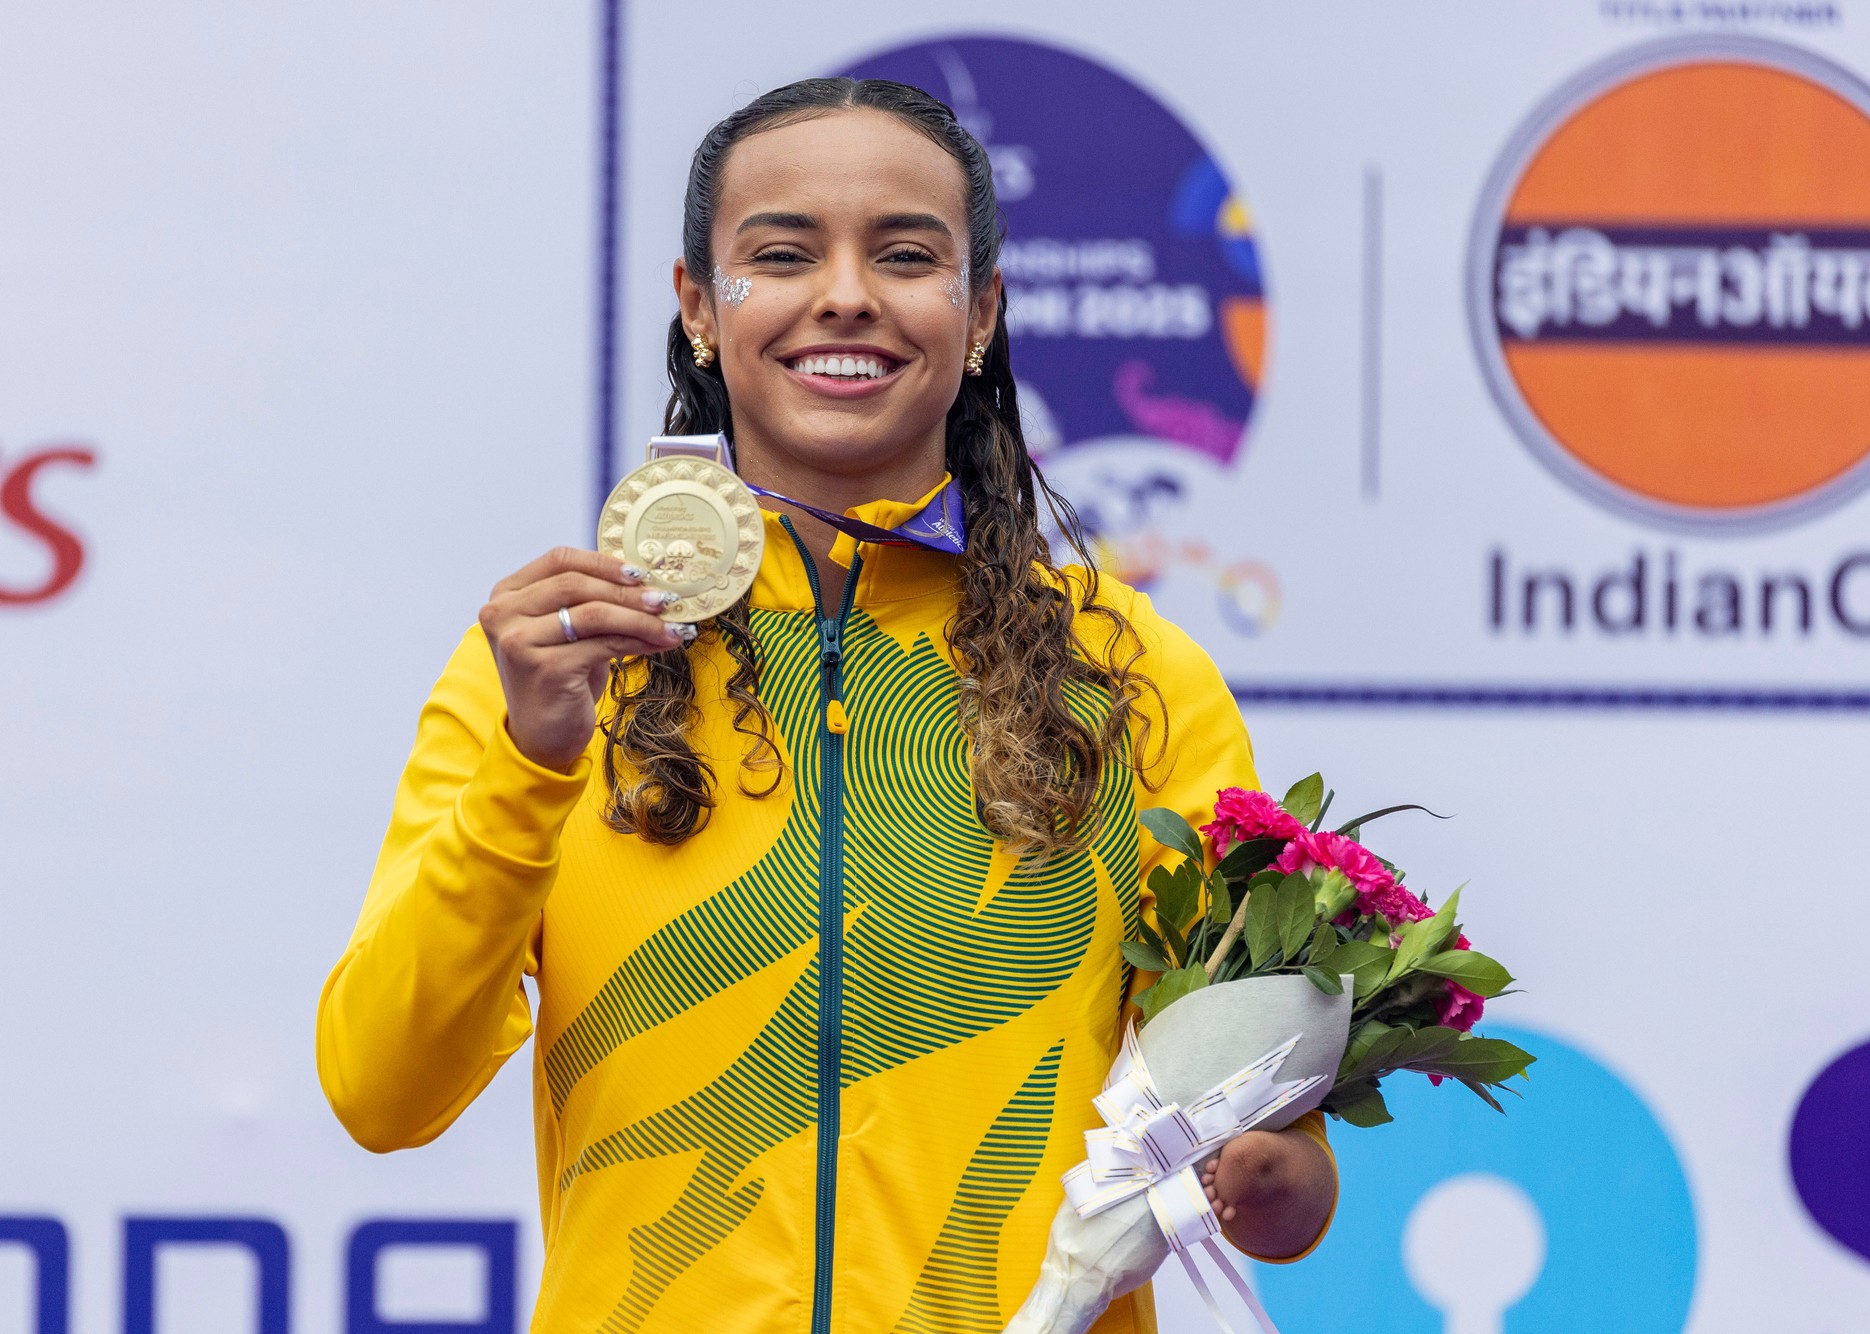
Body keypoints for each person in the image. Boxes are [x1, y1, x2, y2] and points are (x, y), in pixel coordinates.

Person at [315, 77, 1336, 1333]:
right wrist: (529, 763)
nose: (844, 293)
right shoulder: (558, 665)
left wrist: (1275, 1175)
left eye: (905, 255)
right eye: (782, 253)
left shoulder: (1130, 674)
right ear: (700, 306)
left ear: (978, 315)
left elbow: (1264, 1161)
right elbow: (381, 1088)